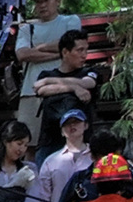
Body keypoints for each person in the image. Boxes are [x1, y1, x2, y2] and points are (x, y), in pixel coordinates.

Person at [14, 0, 80, 136]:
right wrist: (59, 54)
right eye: (38, 2)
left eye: (46, 0)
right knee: (27, 139)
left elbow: (72, 43)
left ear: (58, 1)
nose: (42, 5)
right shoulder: (27, 29)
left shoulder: (70, 21)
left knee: (67, 138)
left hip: (65, 88)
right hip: (31, 91)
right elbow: (22, 54)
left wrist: (39, 48)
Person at [31, 106, 91, 202]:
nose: (72, 126)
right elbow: (42, 195)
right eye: (67, 124)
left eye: (76, 122)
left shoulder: (96, 157)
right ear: (62, 131)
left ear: (86, 125)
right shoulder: (51, 161)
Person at [33, 32, 103, 163]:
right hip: (50, 143)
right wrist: (73, 88)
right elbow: (41, 90)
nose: (84, 55)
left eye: (86, 50)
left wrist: (49, 81)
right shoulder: (46, 74)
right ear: (65, 52)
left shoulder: (88, 72)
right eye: (79, 50)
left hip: (82, 144)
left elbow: (88, 83)